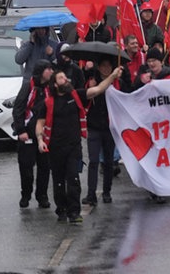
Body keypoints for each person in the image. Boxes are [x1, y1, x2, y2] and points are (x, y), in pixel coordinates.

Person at [35, 63, 120, 224]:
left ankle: (74, 212)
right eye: (61, 78)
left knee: (73, 179)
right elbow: (40, 123)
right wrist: (40, 140)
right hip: (55, 148)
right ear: (55, 84)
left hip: (73, 147)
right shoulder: (48, 103)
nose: (66, 79)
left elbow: (98, 89)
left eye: (65, 77)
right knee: (59, 181)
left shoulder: (76, 95)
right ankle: (61, 210)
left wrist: (113, 76)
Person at [11, 60, 54, 208]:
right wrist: (21, 130)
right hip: (27, 134)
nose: (51, 72)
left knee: (44, 167)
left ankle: (42, 196)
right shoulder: (28, 87)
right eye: (48, 69)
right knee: (26, 166)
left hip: (45, 135)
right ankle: (26, 194)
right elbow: (18, 108)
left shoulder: (51, 88)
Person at [83, 57, 118, 207]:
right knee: (94, 161)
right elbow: (84, 99)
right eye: (102, 66)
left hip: (109, 128)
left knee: (109, 162)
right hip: (94, 127)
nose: (105, 69)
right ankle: (91, 194)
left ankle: (107, 192)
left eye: (108, 66)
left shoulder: (117, 83)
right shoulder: (92, 82)